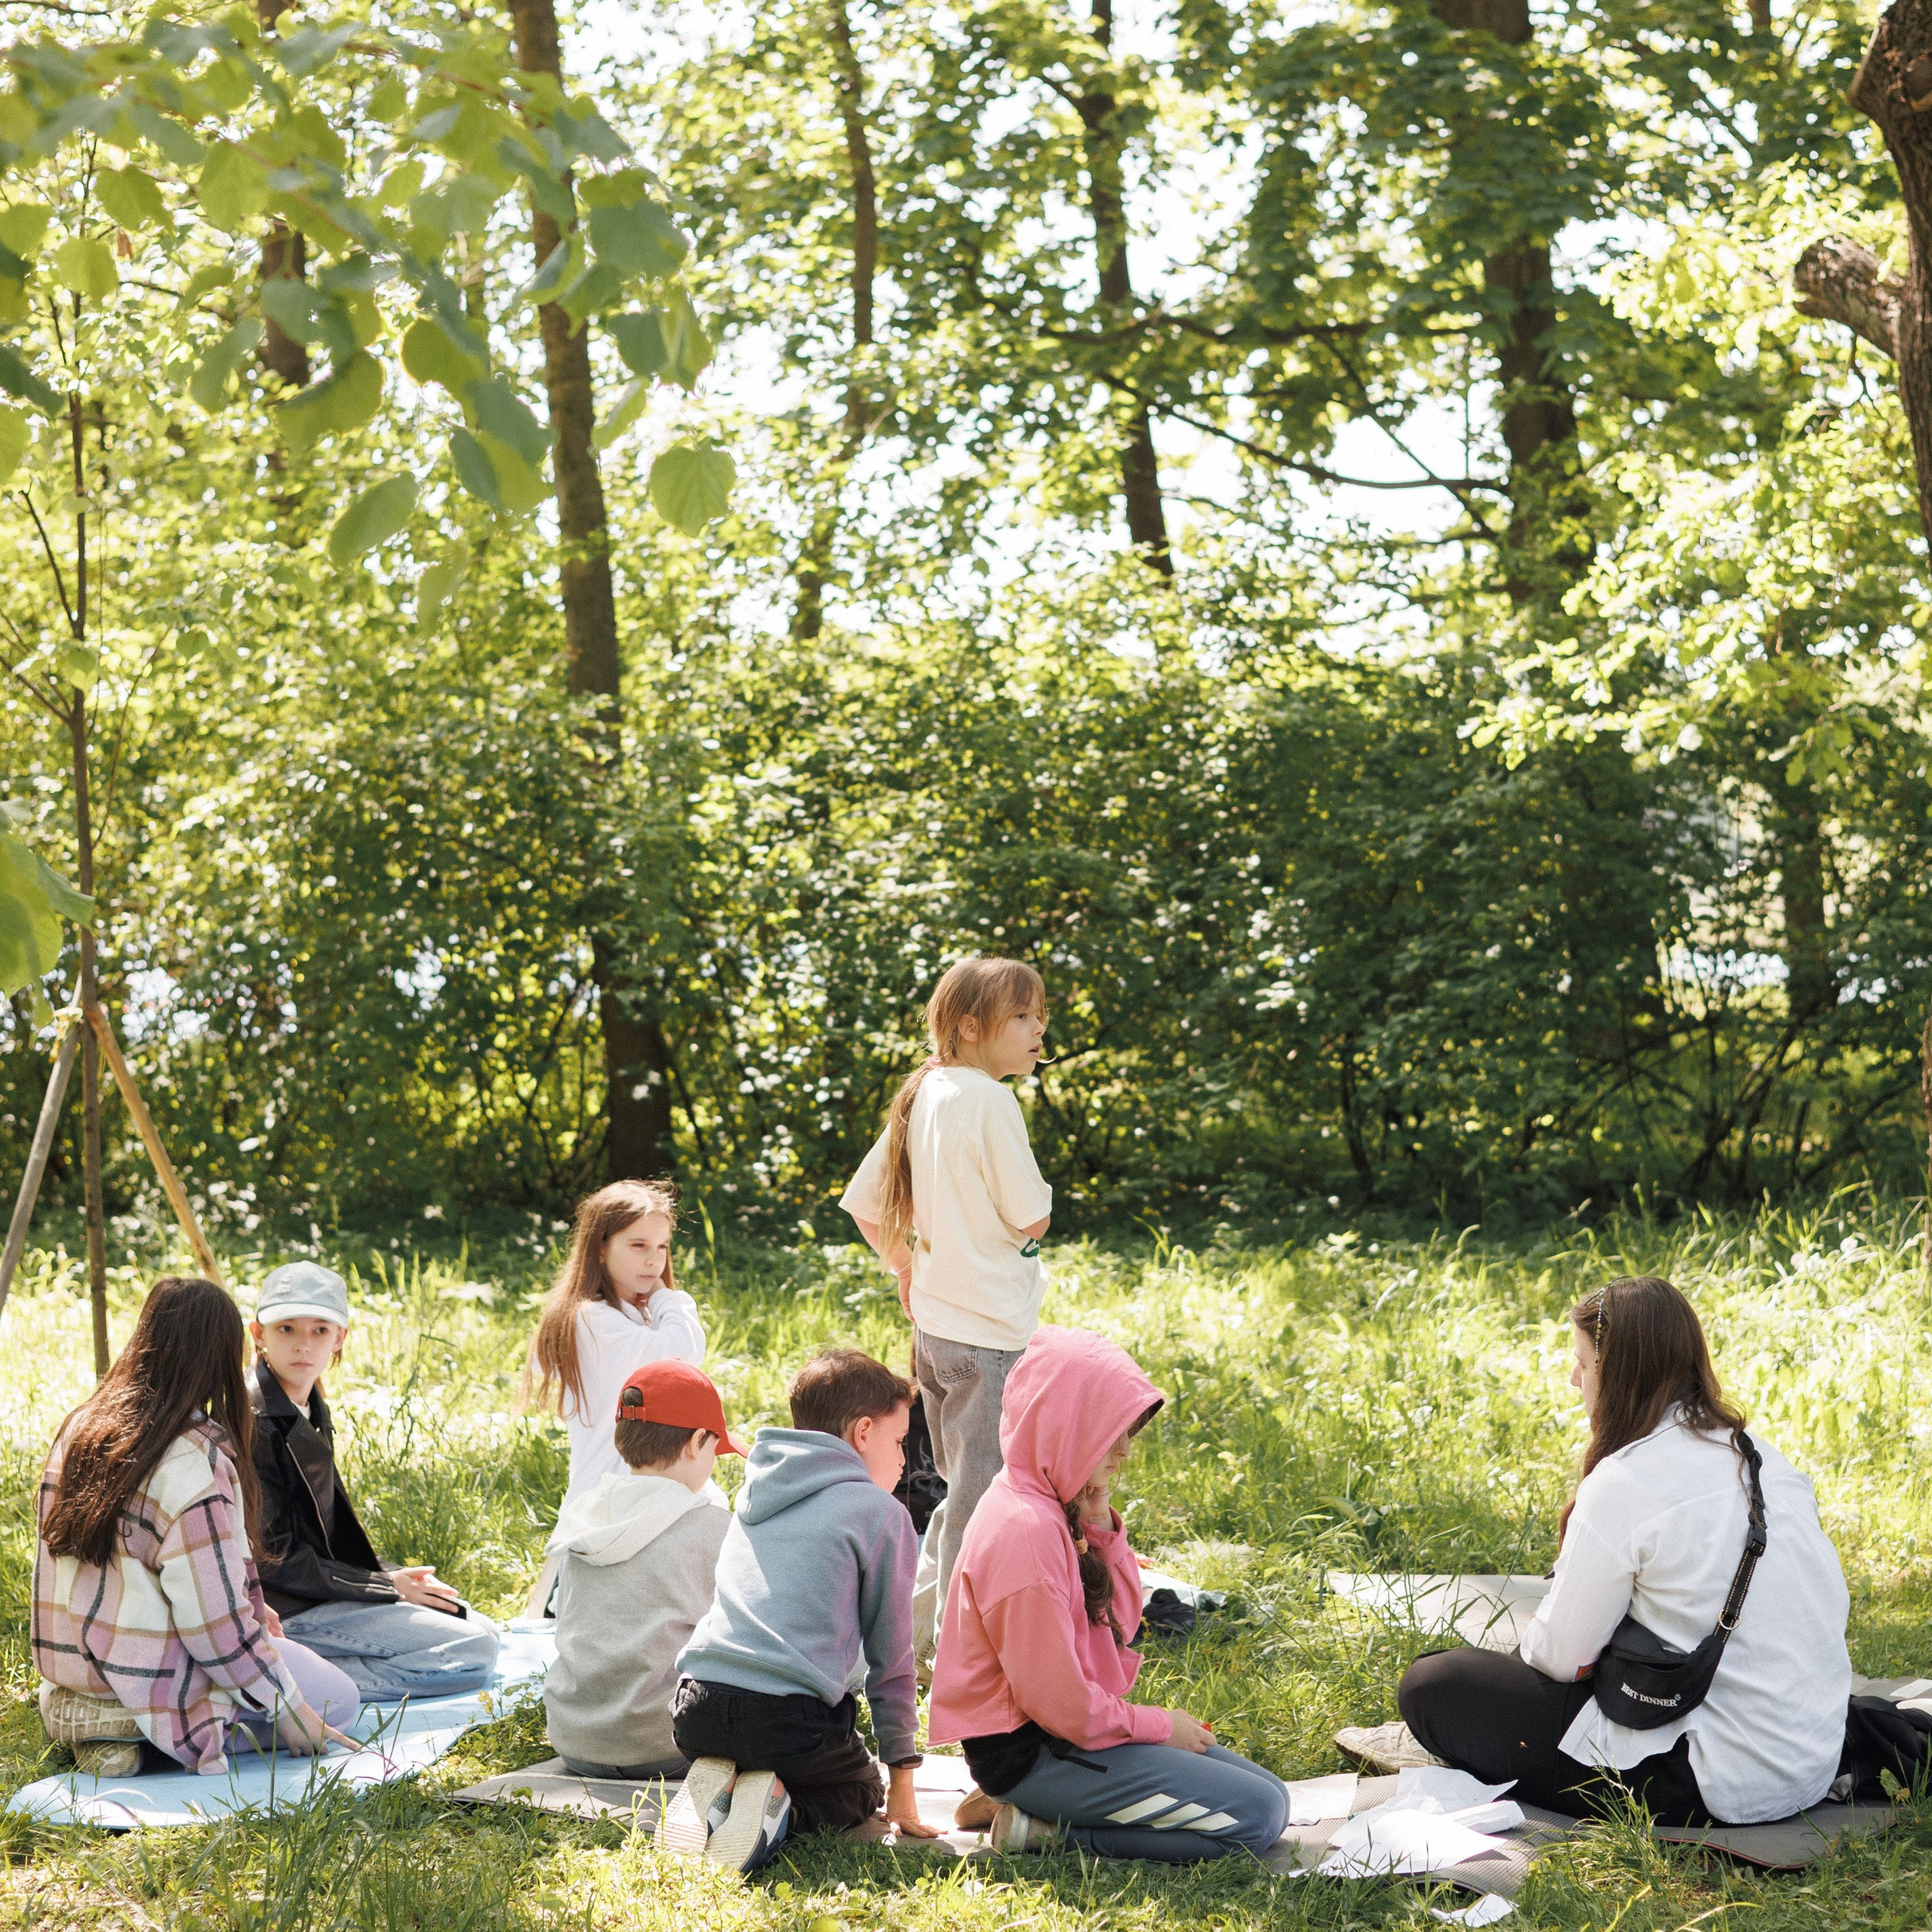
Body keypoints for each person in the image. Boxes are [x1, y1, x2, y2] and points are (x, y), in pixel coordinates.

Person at [1395, 1274, 1851, 1826]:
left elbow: (1559, 1660)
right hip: (1812, 1760)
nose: (1572, 1378)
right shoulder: (1765, 1461)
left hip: (1709, 1780)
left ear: (1620, 1375)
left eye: (1584, 1363)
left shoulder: (1626, 1484)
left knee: (1436, 1686)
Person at [929, 1324, 1288, 1860]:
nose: (1124, 1452)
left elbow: (1120, 1627)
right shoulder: (1025, 1534)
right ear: (1067, 1427)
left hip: (1066, 1740)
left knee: (1275, 1796)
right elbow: (1061, 1705)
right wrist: (1158, 1725)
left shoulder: (1051, 1498)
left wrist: (1101, 1529)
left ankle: (1047, 1806)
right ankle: (1047, 1829)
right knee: (1256, 1819)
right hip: (1040, 1754)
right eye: (1110, 1433)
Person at [32, 1275, 360, 1776]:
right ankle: (151, 1737)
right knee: (339, 1699)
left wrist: (254, 1607)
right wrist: (290, 1711)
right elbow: (214, 1627)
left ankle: (95, 1724)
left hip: (76, 1666)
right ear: (224, 1355)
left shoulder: (81, 1427)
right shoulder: (195, 1460)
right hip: (152, 1674)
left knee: (290, 1669)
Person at [840, 957, 1053, 1660]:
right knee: (982, 1500)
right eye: (1021, 1016)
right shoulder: (990, 1101)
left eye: (1040, 1015)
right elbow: (1031, 1216)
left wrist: (904, 1265)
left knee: (960, 1490)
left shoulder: (926, 1091)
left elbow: (866, 1205)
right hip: (988, 1338)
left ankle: (921, 1631)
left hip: (936, 1332)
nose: (1038, 1029)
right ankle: (955, 1651)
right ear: (970, 1026)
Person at [660, 1349, 943, 1871]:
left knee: (764, 1747)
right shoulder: (881, 1513)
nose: (905, 1459)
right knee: (858, 1790)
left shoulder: (756, 1490)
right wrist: (900, 1781)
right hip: (787, 1721)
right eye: (900, 1442)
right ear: (863, 1433)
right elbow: (892, 1659)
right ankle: (776, 1810)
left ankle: (714, 1797)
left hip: (695, 1709)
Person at [248, 1262, 500, 1701]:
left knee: (476, 1625)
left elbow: (328, 1535)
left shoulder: (307, 1403)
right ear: (258, 1334)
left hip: (319, 1592)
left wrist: (394, 1578)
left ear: (340, 1338)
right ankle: (300, 1684)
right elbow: (271, 1558)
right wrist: (386, 1588)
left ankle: (310, 1669)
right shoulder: (256, 1419)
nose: (304, 1345)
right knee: (473, 1648)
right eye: (286, 1328)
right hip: (282, 1607)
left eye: (320, 1330)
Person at [543, 1359, 741, 1778]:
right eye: (714, 1448)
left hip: (574, 1740)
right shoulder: (712, 1528)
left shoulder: (584, 1515)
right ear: (696, 1442)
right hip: (664, 1747)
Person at [525, 1180, 706, 1511]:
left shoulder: (636, 1314)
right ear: (601, 1248)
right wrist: (667, 1295)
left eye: (663, 1247)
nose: (655, 1260)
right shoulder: (591, 1320)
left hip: (638, 1492)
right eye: (639, 1245)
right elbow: (682, 1356)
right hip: (606, 1499)